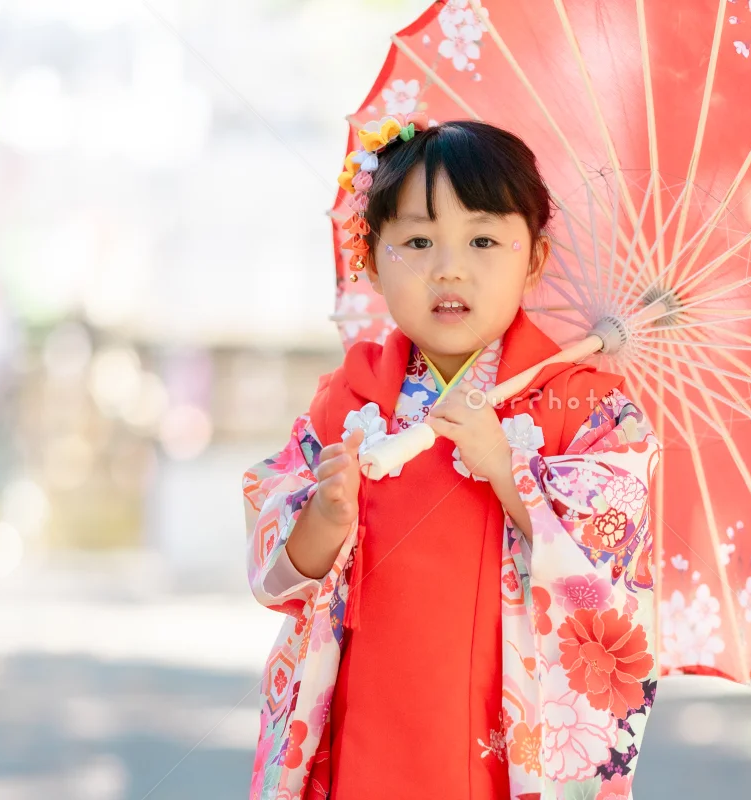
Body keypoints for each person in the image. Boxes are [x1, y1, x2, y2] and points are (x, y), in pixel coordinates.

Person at [242, 116, 660, 800]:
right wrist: (323, 515)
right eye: (417, 241)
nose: (449, 267)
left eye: (483, 239)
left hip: (505, 732)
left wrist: (508, 467)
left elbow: (608, 573)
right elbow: (278, 569)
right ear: (371, 259)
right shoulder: (349, 400)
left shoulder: (584, 410)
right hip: (370, 722)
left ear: (535, 258)